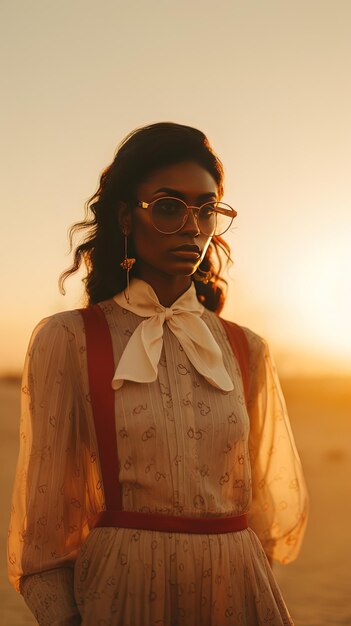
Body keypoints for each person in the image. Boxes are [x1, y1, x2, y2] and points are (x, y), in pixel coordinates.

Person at [8, 122, 308, 626]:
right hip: (122, 592)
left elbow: (268, 519)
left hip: (235, 590)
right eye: (169, 206)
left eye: (207, 208)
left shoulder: (246, 348)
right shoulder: (70, 339)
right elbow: (45, 529)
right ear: (126, 215)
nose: (193, 226)